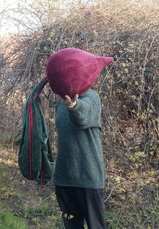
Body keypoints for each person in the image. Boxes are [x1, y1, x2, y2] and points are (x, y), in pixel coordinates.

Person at [53, 90, 107, 229]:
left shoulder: (92, 97)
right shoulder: (60, 102)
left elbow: (81, 118)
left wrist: (73, 106)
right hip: (64, 179)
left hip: (89, 179)